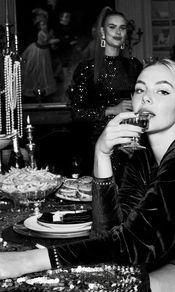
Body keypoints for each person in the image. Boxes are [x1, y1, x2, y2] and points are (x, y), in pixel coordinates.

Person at [0, 59, 175, 292]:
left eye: (163, 90)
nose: (146, 97)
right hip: (163, 258)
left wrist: (28, 260)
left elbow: (134, 245)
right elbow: (109, 232)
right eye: (140, 89)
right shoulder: (142, 158)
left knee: (112, 285)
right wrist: (102, 153)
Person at [67, 6, 142, 176]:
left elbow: (142, 106)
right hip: (99, 142)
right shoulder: (87, 68)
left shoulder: (134, 65)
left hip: (130, 142)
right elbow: (77, 113)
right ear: (102, 32)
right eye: (112, 27)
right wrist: (113, 110)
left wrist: (134, 137)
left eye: (122, 28)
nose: (118, 32)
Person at [21, 8, 58, 100]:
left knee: (45, 71)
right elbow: (47, 41)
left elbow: (50, 39)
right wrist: (55, 40)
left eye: (45, 25)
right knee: (36, 70)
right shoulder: (41, 33)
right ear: (39, 26)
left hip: (44, 52)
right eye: (42, 25)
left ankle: (43, 91)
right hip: (38, 52)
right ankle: (35, 91)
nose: (44, 26)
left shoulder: (46, 32)